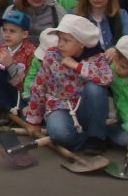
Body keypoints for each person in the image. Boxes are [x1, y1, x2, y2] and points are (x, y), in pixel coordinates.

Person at [20, 15, 112, 152]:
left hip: (85, 110)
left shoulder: (96, 57)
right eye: (59, 39)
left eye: (66, 40)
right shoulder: (52, 55)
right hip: (59, 105)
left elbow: (107, 78)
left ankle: (96, 138)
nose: (60, 44)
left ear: (81, 43)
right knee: (59, 134)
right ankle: (84, 140)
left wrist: (77, 66)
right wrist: (34, 120)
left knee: (95, 89)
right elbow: (39, 86)